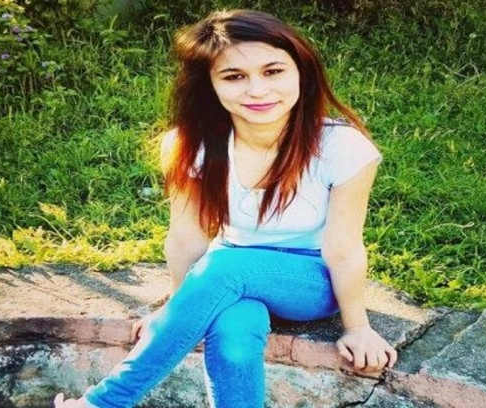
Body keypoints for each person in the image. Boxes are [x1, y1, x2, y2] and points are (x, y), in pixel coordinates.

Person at [54, 9, 396, 408]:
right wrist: (181, 313)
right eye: (234, 77)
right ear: (210, 85)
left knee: (226, 265)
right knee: (234, 339)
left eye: (273, 71)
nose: (257, 90)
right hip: (228, 274)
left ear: (301, 72)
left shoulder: (341, 147)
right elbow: (186, 237)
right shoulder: (189, 145)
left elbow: (343, 248)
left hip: (310, 280)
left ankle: (106, 402)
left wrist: (357, 327)